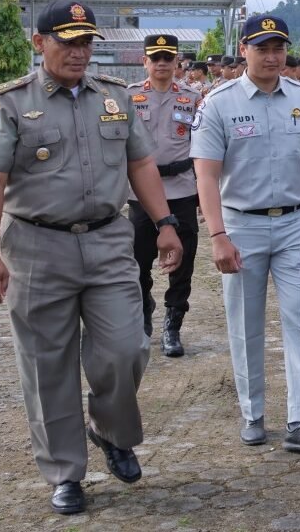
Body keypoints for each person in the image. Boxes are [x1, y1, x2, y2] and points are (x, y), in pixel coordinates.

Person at [0, 0, 184, 515]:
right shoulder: (10, 103)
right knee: (48, 366)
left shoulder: (113, 97)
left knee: (127, 347)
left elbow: (141, 163)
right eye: (67, 41)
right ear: (39, 42)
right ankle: (65, 471)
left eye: (86, 42)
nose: (79, 52)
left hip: (108, 241)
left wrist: (165, 224)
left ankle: (110, 430)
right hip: (39, 247)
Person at [191, 15, 300, 456]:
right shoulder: (218, 103)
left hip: (296, 223)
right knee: (245, 323)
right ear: (245, 50)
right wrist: (217, 234)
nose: (271, 57)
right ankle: (253, 413)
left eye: (278, 48)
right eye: (262, 48)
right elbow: (206, 175)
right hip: (242, 224)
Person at [126, 35, 203, 358]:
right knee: (137, 261)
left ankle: (173, 324)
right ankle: (143, 314)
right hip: (141, 191)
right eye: (155, 58)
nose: (161, 64)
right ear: (145, 61)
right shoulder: (129, 97)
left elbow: (202, 147)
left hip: (182, 187)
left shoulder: (193, 98)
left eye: (167, 58)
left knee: (183, 261)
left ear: (177, 63)